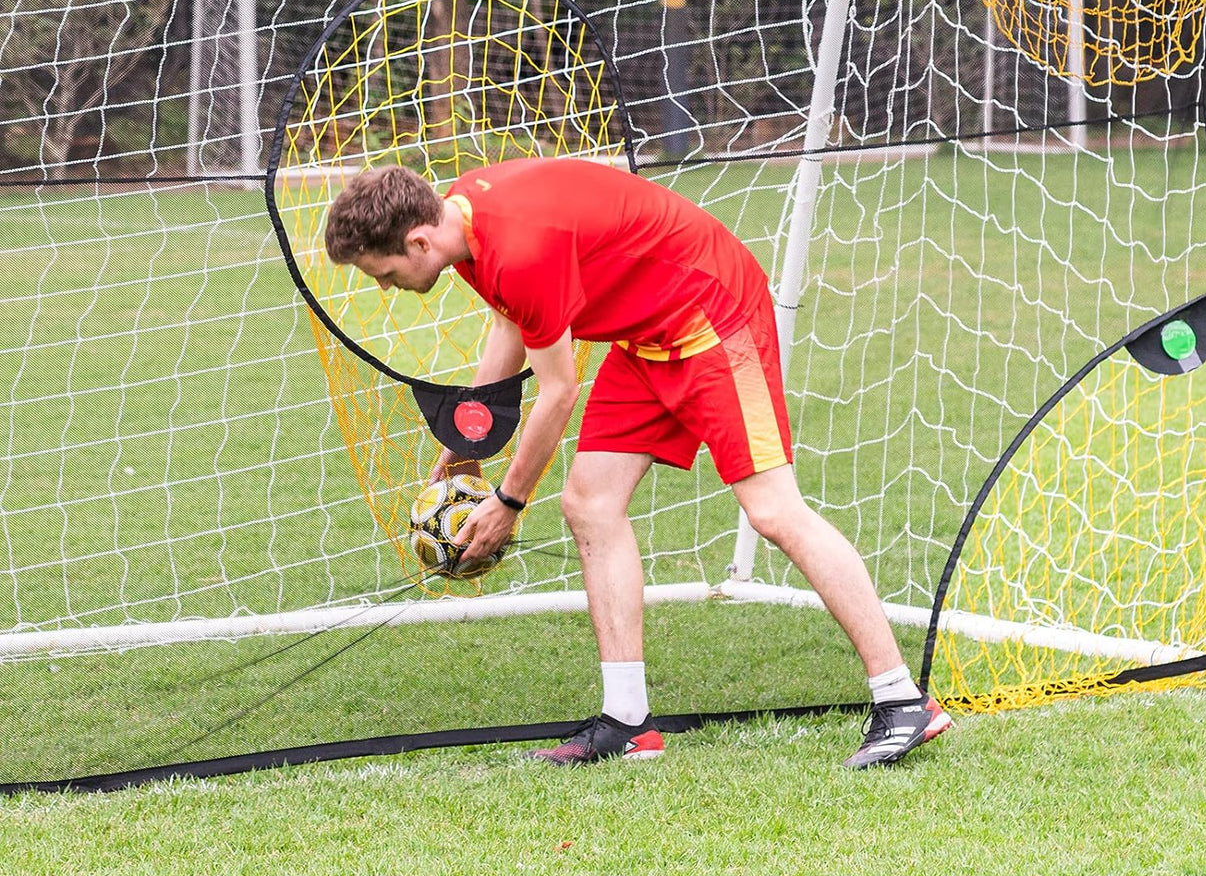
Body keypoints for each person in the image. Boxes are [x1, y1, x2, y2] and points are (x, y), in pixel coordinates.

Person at [324, 157, 952, 768]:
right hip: (649, 336)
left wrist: (508, 504)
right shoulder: (464, 219)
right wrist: (467, 441)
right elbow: (511, 325)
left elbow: (558, 390)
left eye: (382, 273)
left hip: (717, 318)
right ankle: (627, 722)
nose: (385, 287)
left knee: (773, 512)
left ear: (417, 239)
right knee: (589, 504)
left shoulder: (519, 249)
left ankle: (901, 699)